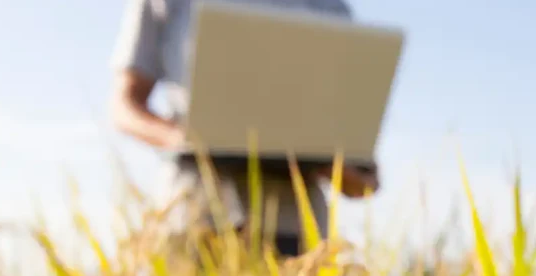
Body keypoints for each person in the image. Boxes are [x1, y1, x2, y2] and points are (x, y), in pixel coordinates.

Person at [109, 0, 380, 258]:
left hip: (297, 233)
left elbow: (363, 175)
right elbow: (124, 106)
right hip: (194, 213)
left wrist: (341, 168)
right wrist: (184, 138)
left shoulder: (329, 7)